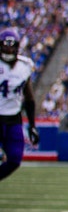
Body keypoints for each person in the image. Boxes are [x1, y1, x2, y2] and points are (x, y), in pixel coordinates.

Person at [0, 29, 38, 183]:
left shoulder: (25, 65)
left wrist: (32, 125)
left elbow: (29, 97)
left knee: (15, 159)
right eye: (5, 46)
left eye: (12, 46)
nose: (8, 50)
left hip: (14, 119)